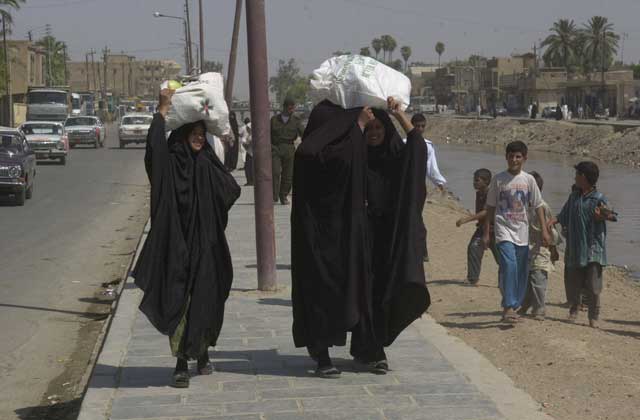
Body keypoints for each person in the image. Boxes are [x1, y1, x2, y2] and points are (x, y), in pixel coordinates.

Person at [292, 97, 430, 377]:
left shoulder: (393, 156)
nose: (376, 133)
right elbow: (317, 157)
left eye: (380, 127)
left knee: (375, 296)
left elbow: (416, 150)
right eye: (371, 129)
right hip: (349, 238)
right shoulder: (351, 155)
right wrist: (356, 124)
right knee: (345, 292)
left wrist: (400, 115)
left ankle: (371, 349)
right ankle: (323, 350)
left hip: (381, 240)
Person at [133, 89, 241, 388]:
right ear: (181, 135)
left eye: (200, 133)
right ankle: (182, 363)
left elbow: (231, 188)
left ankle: (202, 352)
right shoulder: (171, 162)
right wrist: (161, 113)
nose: (197, 138)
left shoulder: (207, 161)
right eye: (192, 133)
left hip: (207, 247)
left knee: (206, 300)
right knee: (181, 303)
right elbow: (153, 153)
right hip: (178, 245)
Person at [483, 141, 551, 323]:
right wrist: (486, 233)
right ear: (506, 157)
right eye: (511, 156)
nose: (514, 160)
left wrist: (545, 230)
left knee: (521, 271)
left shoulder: (529, 180)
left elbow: (538, 206)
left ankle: (514, 304)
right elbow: (490, 208)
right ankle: (508, 306)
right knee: (509, 266)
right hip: (503, 230)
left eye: (518, 156)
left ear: (525, 158)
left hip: (522, 232)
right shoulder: (498, 180)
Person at [548, 161, 616, 329]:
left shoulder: (599, 199)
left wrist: (603, 216)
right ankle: (574, 310)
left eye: (577, 174)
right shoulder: (574, 197)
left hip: (593, 249)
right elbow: (563, 214)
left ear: (583, 177)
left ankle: (593, 316)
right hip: (575, 248)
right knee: (573, 282)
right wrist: (551, 221)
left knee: (593, 286)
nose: (574, 177)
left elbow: (613, 216)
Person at [517, 171, 561, 320]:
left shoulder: (543, 207)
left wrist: (553, 249)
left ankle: (540, 308)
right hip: (525, 247)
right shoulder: (520, 205)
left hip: (541, 248)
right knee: (527, 278)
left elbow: (551, 231)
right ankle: (526, 303)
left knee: (538, 278)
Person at [410, 113, 446, 262]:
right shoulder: (403, 143)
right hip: (403, 186)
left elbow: (431, 168)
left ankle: (422, 251)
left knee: (416, 218)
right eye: (417, 126)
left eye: (422, 126)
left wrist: (440, 183)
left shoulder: (428, 146)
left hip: (418, 187)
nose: (420, 129)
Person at [456, 168, 498, 285]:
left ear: (486, 181)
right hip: (482, 228)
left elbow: (485, 212)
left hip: (494, 230)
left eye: (477, 180)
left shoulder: (491, 194)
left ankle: (509, 278)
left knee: (501, 258)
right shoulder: (479, 193)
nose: (474, 183)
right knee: (473, 248)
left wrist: (466, 220)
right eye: (474, 180)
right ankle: (473, 279)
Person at [271, 98, 304, 204]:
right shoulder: (274, 120)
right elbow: (267, 135)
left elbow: (304, 134)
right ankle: (273, 197)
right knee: (275, 172)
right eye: (290, 108)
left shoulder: (296, 120)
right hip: (275, 148)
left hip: (289, 148)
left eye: (293, 108)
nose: (291, 110)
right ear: (284, 107)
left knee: (288, 175)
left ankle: (283, 195)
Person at [239, 117, 253, 186]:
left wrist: (245, 144)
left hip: (250, 153)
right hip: (249, 153)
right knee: (249, 168)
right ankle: (250, 181)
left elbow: (249, 144)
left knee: (249, 168)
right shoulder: (249, 135)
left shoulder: (251, 136)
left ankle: (250, 181)